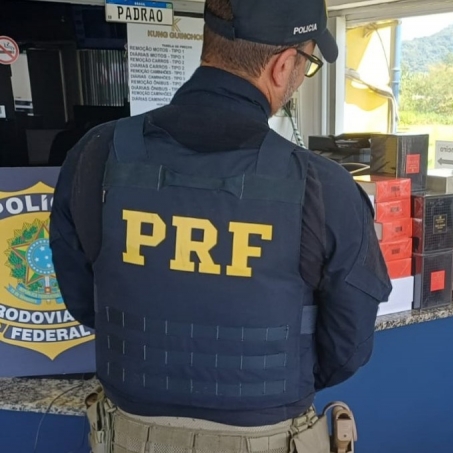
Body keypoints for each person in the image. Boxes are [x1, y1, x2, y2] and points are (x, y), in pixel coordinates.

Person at [49, 0, 392, 451]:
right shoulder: (324, 186)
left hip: (129, 435)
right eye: (307, 64)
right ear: (282, 65)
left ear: (209, 42)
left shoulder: (95, 155)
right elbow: (348, 347)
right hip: (268, 437)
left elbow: (83, 300)